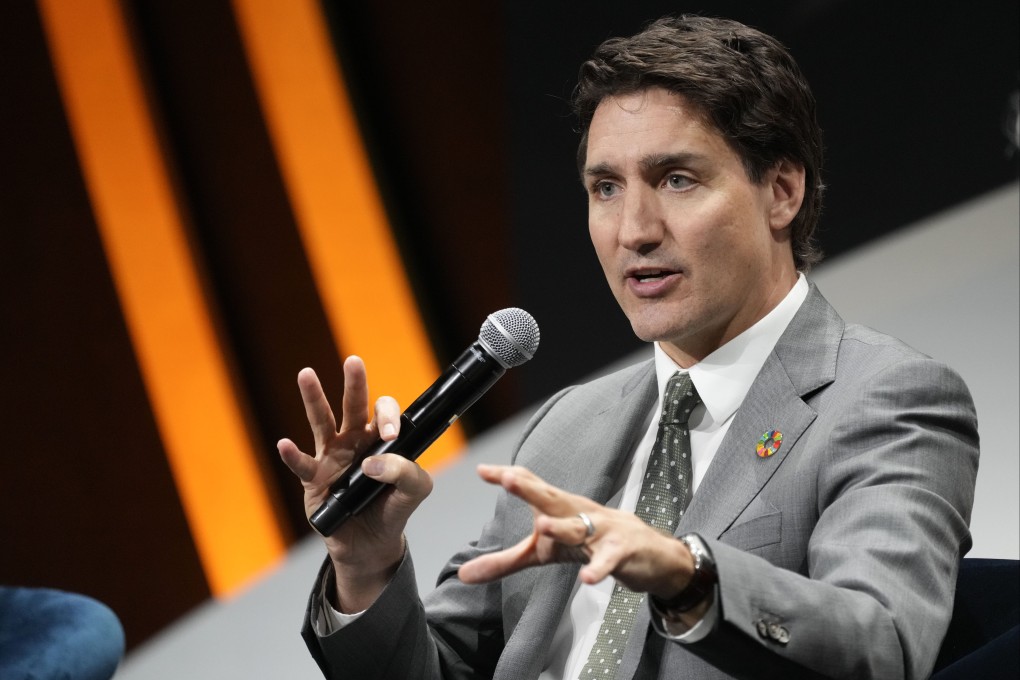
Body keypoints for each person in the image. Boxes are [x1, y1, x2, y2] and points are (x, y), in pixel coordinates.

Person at [278, 15, 979, 680]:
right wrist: (365, 564)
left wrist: (687, 573)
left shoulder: (885, 398)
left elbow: (882, 646)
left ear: (782, 192)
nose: (634, 230)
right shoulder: (568, 428)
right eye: (606, 188)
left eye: (677, 179)